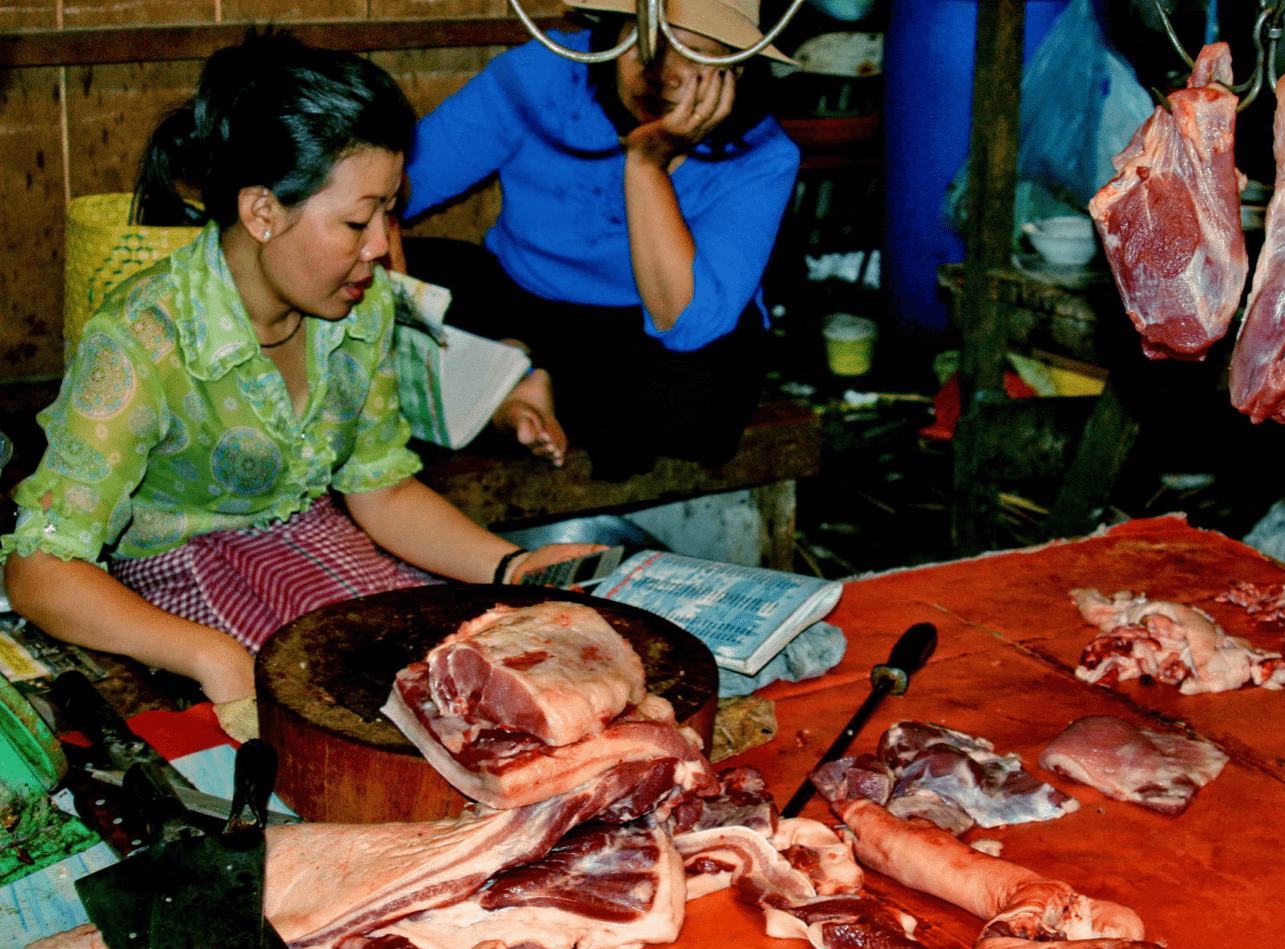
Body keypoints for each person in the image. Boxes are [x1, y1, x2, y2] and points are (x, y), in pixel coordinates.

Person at [1, 31, 602, 741]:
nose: (381, 245)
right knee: (376, 730)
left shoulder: (358, 306)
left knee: (478, 687)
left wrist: (512, 564)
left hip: (321, 545)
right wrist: (210, 655)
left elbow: (379, 488)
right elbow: (39, 567)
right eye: (357, 220)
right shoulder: (140, 338)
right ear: (261, 212)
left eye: (389, 212)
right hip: (182, 580)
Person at [398, 0, 801, 479]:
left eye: (694, 53)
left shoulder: (763, 155)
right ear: (610, 37)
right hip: (518, 300)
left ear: (735, 70)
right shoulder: (541, 74)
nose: (662, 75)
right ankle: (517, 376)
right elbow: (401, 184)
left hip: (642, 333)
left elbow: (686, 322)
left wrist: (647, 165)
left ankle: (507, 379)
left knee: (702, 399)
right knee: (364, 288)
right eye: (644, 45)